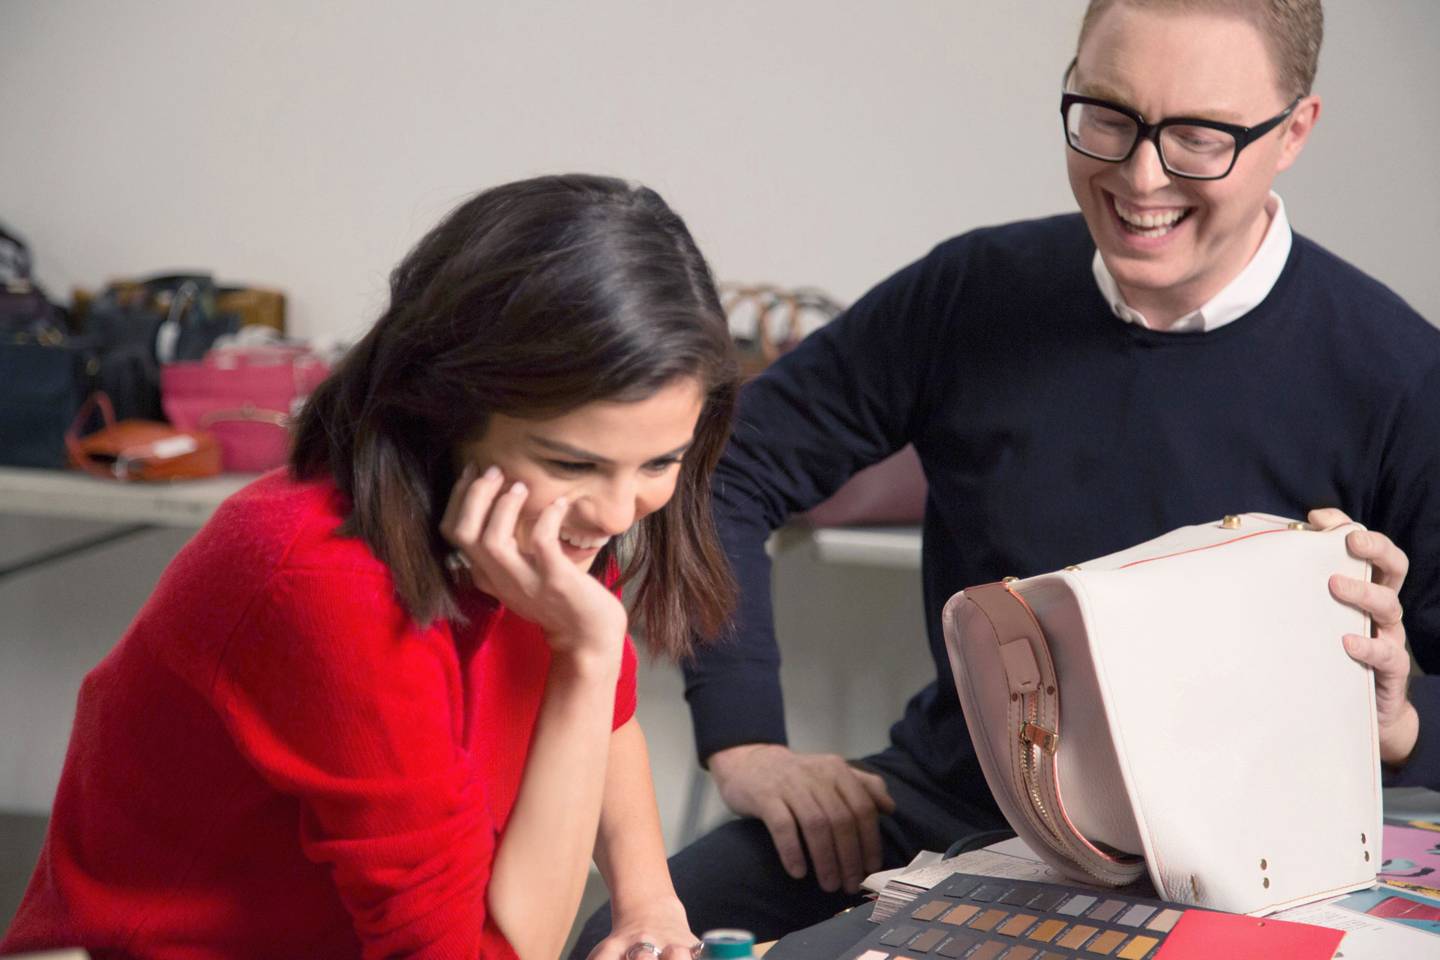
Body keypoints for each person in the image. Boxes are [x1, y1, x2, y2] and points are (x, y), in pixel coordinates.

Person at [568, 0, 1440, 951]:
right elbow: (722, 465)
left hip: (1255, 862)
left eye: (1198, 137)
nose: (1139, 176)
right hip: (950, 806)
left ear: (1294, 132)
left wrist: (1397, 724)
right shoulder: (974, 291)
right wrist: (744, 740)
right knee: (624, 938)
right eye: (1107, 115)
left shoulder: (1399, 375)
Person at [3, 174, 740, 960]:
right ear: (451, 406)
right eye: (573, 463)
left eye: (660, 462)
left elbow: (605, 725)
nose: (619, 513)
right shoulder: (324, 579)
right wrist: (587, 657)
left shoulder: (536, 520)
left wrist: (651, 908)